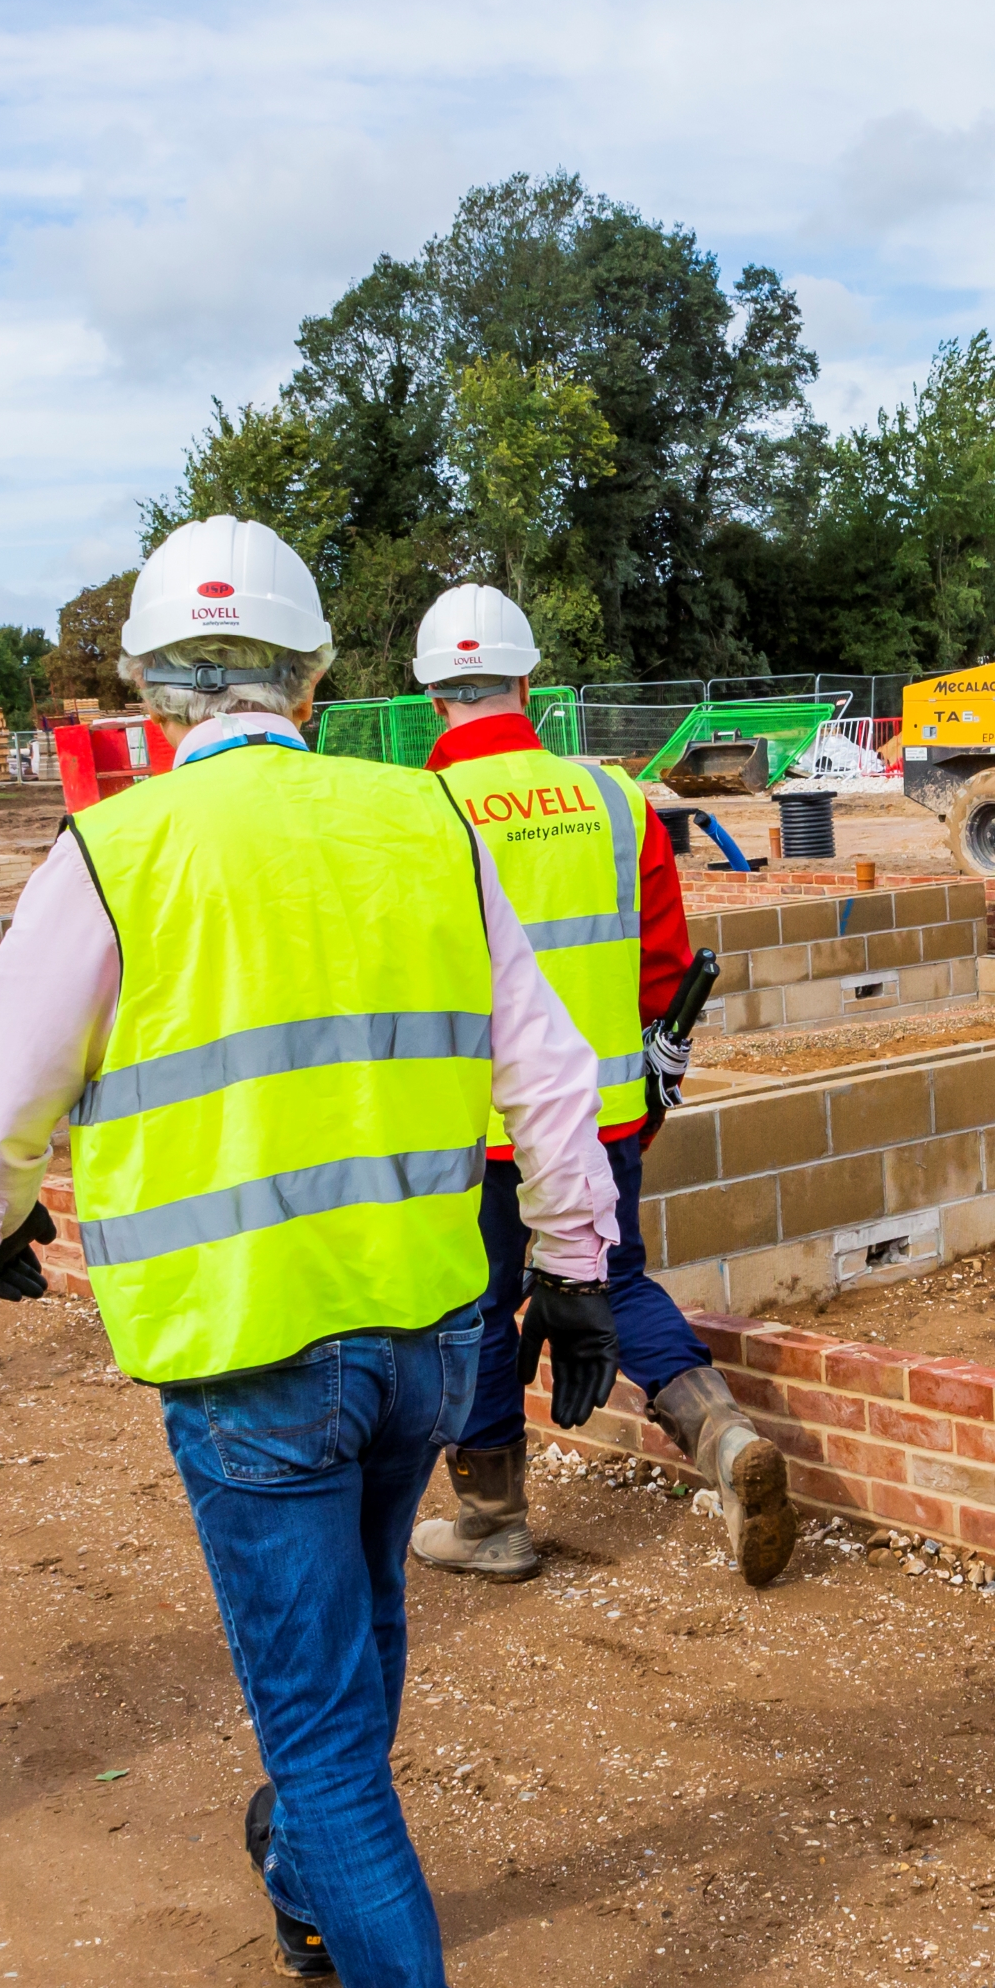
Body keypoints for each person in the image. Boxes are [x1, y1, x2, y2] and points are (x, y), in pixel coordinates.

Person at [0, 517, 621, 1988]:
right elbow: (549, 1068)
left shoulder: (119, 846)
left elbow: (6, 1070)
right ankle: (316, 1887)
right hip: (418, 1335)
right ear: (317, 680)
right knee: (362, 1639)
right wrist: (581, 1265)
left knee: (317, 1723)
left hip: (248, 1356)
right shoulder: (421, 821)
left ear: (156, 690)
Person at [399, 583, 788, 1589]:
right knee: (611, 1281)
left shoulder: (416, 815)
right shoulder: (615, 800)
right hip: (605, 1111)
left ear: (432, 694)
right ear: (528, 684)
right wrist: (649, 1086)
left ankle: (491, 1523)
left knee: (478, 1310)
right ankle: (723, 1438)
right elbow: (665, 970)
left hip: (470, 1126)